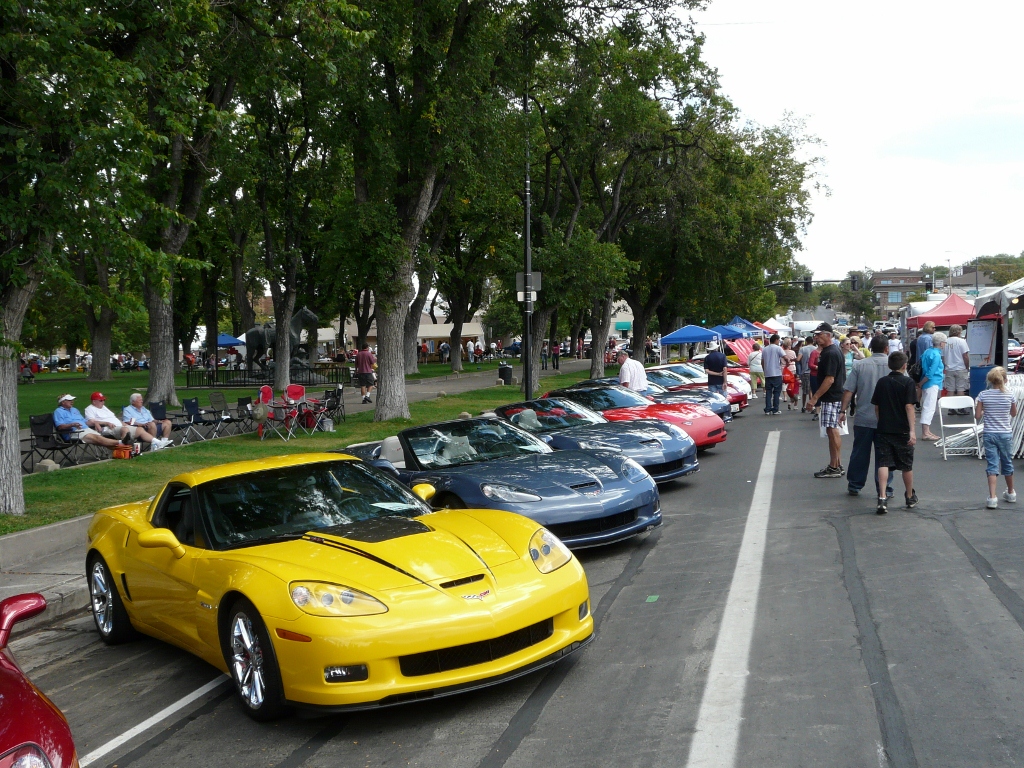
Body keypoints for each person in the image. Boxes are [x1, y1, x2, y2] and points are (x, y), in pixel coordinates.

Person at [841, 335, 893, 498]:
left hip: (864, 416)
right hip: (887, 419)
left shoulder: (860, 365)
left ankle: (855, 484)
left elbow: (849, 390)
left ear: (871, 349)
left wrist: (843, 410)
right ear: (886, 349)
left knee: (859, 453)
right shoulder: (895, 366)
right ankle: (885, 488)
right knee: (884, 456)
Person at [871, 351, 918, 514]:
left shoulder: (882, 382)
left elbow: (876, 406)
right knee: (906, 465)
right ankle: (909, 495)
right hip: (902, 429)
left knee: (883, 463)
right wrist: (912, 430)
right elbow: (909, 406)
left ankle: (882, 496)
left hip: (884, 428)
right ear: (904, 366)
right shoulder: (908, 382)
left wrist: (880, 421)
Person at [806, 322, 847, 478]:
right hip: (834, 396)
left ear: (828, 335)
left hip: (832, 396)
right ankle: (835, 464)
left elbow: (829, 379)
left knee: (832, 429)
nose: (816, 337)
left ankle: (835, 466)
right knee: (831, 430)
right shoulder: (831, 351)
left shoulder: (830, 353)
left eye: (819, 334)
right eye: (815, 335)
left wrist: (814, 398)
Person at [975, 366, 1017, 508]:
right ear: (1005, 379)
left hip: (989, 433)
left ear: (990, 380)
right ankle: (1010, 492)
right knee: (1007, 462)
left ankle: (992, 497)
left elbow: (977, 415)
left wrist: (987, 409)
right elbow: (1013, 413)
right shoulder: (1010, 395)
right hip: (1005, 433)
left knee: (992, 464)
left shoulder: (983, 395)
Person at [85, 392, 166, 452]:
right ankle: (125, 451)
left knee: (139, 429)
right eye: (101, 400)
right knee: (125, 430)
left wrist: (123, 423)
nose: (103, 402)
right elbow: (91, 422)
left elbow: (114, 418)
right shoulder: (90, 409)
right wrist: (106, 423)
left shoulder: (103, 407)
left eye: (103, 400)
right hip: (108, 429)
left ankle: (158, 443)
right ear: (94, 401)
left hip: (119, 426)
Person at [53, 394, 126, 451]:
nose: (72, 401)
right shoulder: (58, 412)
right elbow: (60, 427)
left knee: (100, 439)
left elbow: (86, 422)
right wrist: (72, 425)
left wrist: (96, 423)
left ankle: (124, 451)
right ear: (63, 402)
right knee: (97, 438)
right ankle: (121, 442)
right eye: (69, 400)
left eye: (72, 400)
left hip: (86, 429)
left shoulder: (74, 410)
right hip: (73, 432)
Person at [918, 330, 946, 441]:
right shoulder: (936, 355)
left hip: (926, 382)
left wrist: (921, 382)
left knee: (927, 405)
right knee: (929, 407)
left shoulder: (927, 351)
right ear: (942, 343)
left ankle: (927, 430)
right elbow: (931, 372)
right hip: (932, 382)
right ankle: (925, 432)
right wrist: (922, 383)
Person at [944, 324, 971, 413]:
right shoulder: (962, 341)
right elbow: (965, 356)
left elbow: (942, 356)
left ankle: (951, 408)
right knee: (960, 389)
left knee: (950, 389)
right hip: (960, 368)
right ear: (959, 332)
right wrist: (967, 367)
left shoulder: (945, 342)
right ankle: (961, 408)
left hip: (949, 369)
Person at [761, 334, 785, 415]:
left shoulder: (764, 349)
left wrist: (764, 370)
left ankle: (767, 409)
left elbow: (762, 361)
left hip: (767, 374)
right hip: (777, 373)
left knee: (768, 392)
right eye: (778, 340)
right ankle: (775, 409)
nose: (779, 342)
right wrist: (789, 361)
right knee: (777, 392)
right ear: (776, 340)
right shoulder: (778, 348)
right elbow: (785, 357)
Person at [782, 339, 798, 409]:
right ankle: (794, 400)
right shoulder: (792, 352)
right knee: (793, 386)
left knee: (784, 384)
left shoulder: (782, 352)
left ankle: (785, 397)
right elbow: (795, 359)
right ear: (789, 345)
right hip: (792, 369)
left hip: (784, 369)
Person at [798, 336, 814, 410]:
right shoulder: (816, 348)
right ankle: (812, 406)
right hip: (814, 371)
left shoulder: (802, 349)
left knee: (805, 390)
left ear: (806, 341)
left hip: (805, 371)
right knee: (812, 389)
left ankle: (804, 406)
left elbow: (798, 359)